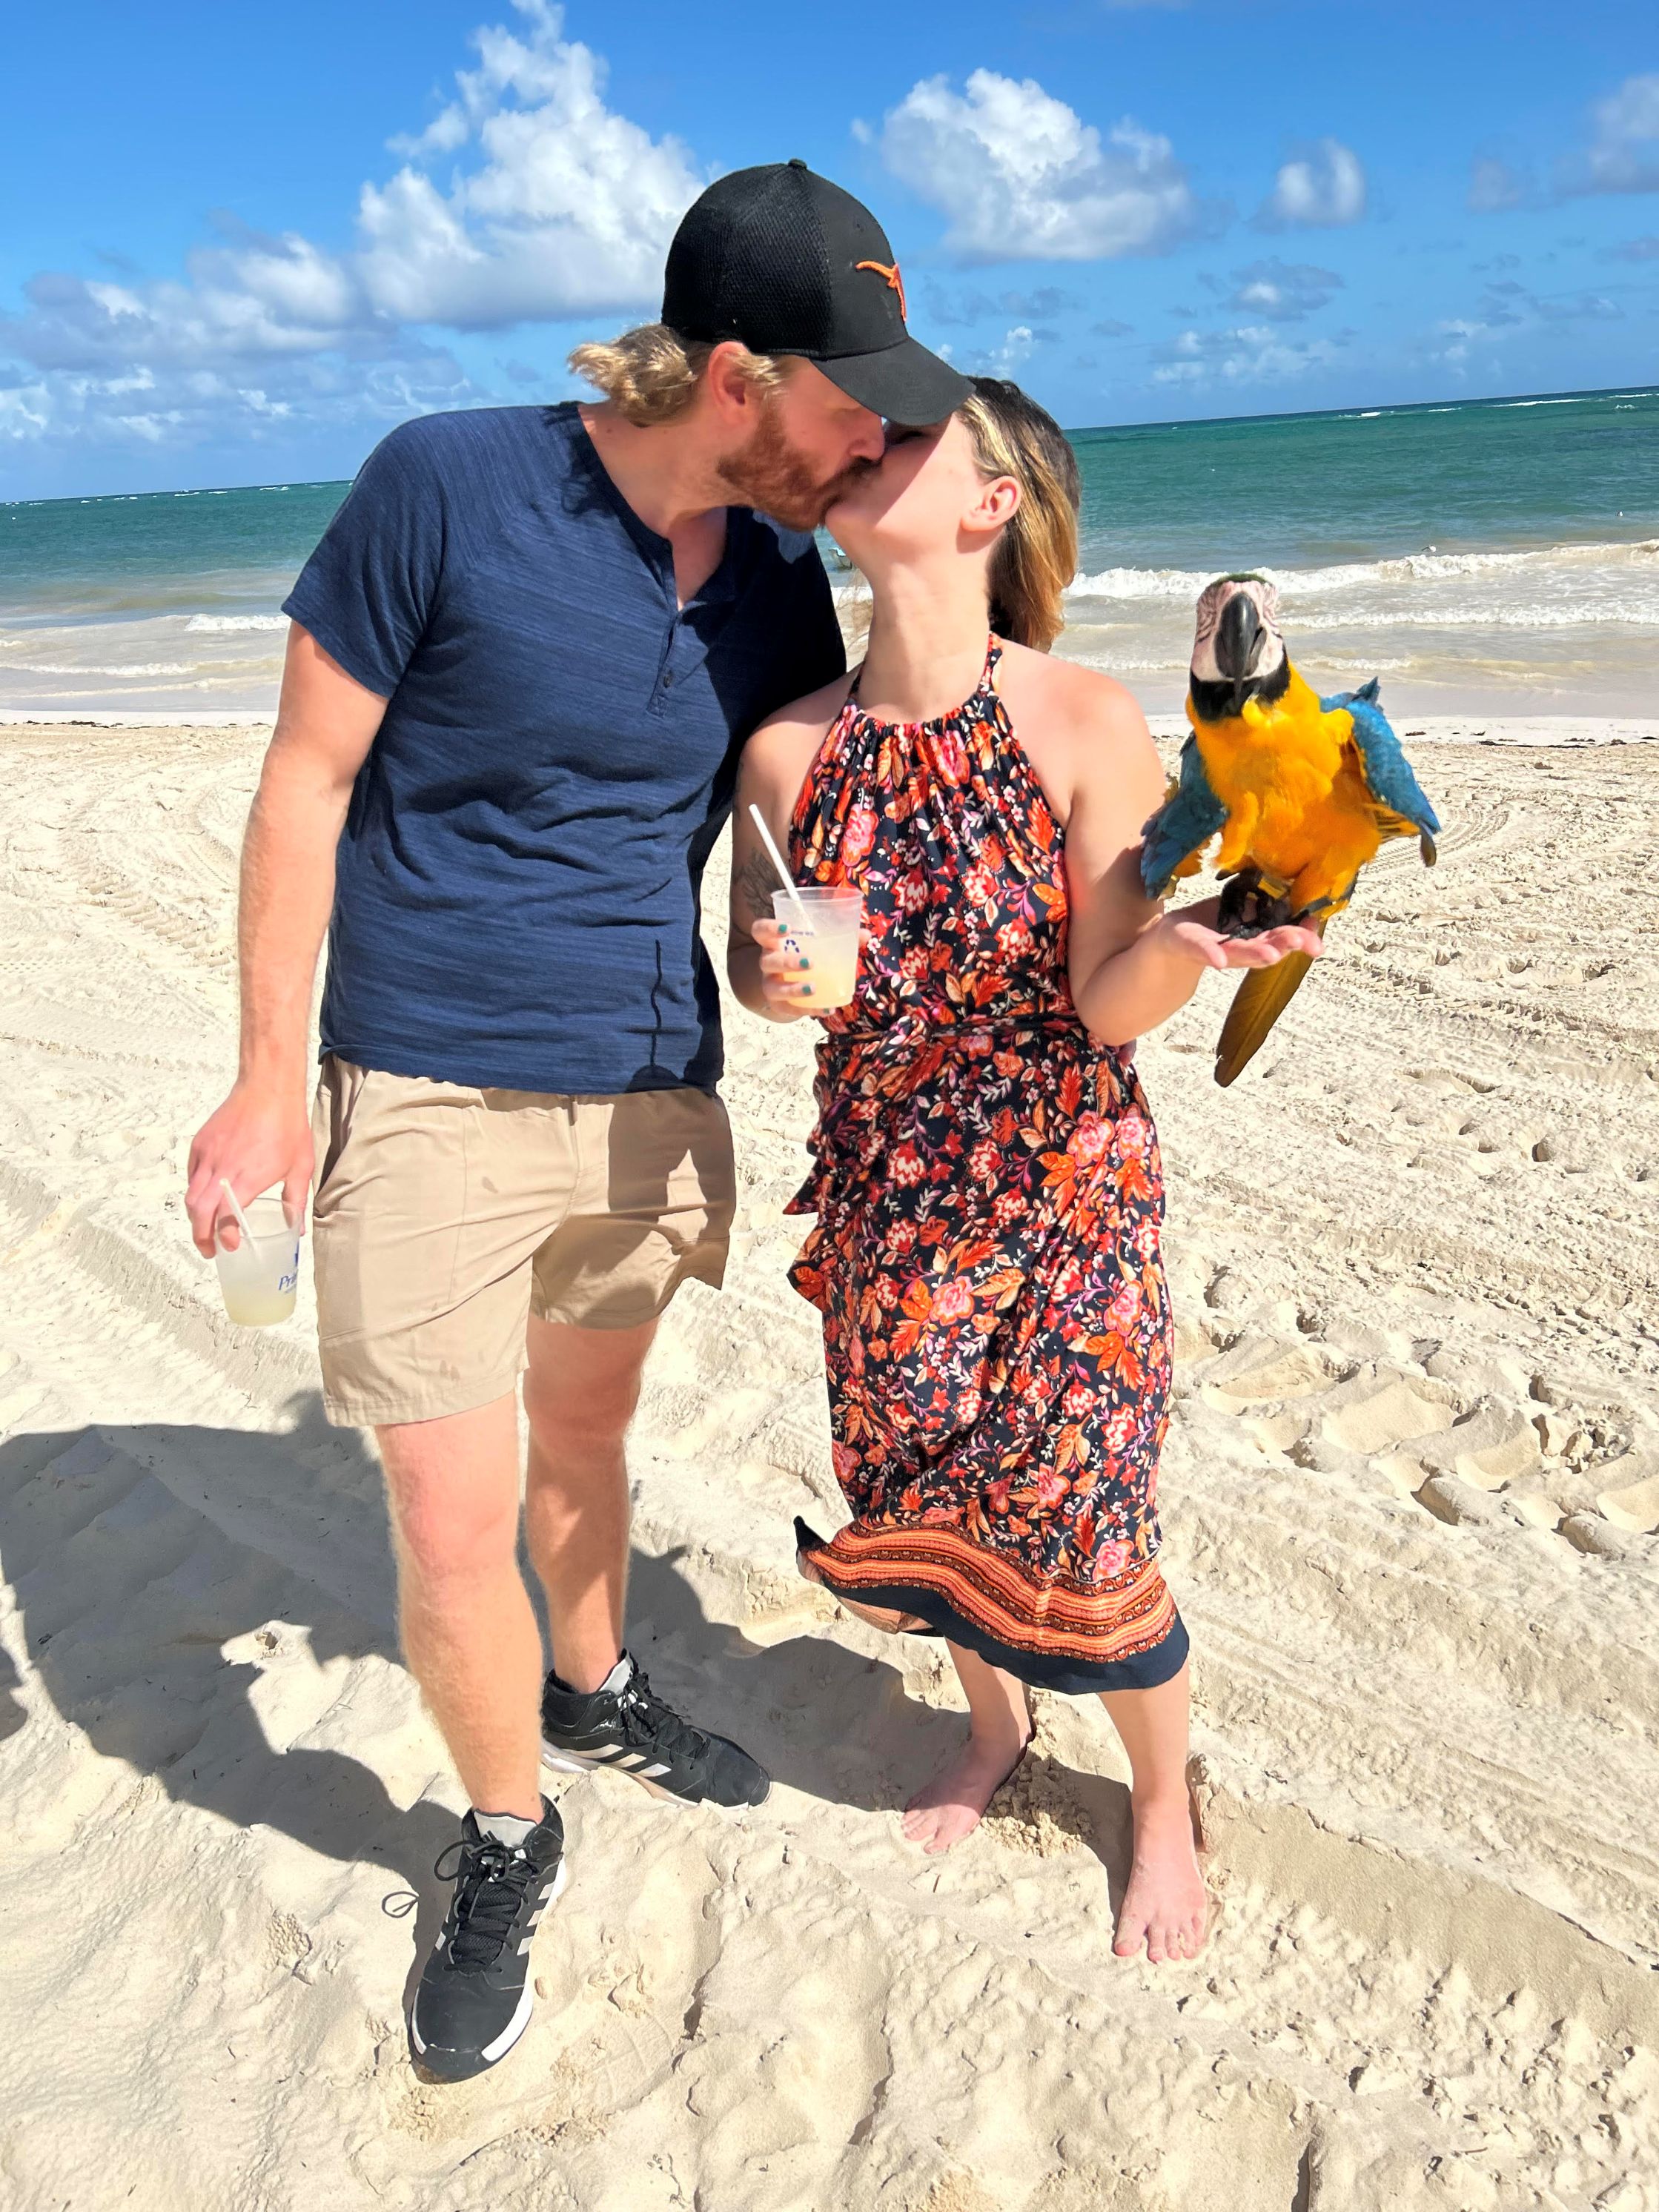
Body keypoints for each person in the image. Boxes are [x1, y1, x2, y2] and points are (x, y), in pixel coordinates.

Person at [185, 161, 973, 2079]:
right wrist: (263, 1085)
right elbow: (305, 783)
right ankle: (502, 1830)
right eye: (850, 400)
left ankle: (593, 1679)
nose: (870, 439)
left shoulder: (772, 579)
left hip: (644, 1097)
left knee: (591, 1445)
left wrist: (780, 964)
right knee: (448, 1512)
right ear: (734, 375)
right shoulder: (443, 486)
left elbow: (785, 845)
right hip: (426, 1086)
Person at [728, 381, 1321, 1964]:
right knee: (919, 1501)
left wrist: (1184, 943)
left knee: (1086, 1517)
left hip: (1064, 1191)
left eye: (909, 435)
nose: (868, 440)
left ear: (994, 503)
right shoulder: (785, 749)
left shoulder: (1080, 720)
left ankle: (1160, 1800)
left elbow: (1104, 1002)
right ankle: (992, 1728)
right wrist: (773, 980)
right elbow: (754, 964)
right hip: (886, 1195)